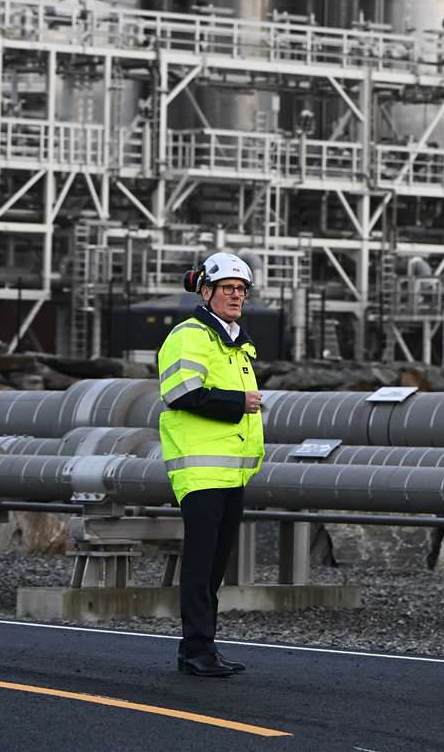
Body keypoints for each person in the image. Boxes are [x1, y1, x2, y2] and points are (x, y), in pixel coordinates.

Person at [157, 250, 265, 677]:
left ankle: (204, 647)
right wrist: (240, 401)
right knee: (201, 564)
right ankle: (195, 651)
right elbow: (181, 393)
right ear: (206, 291)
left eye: (241, 289)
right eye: (227, 289)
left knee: (215, 566)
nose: (236, 296)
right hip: (201, 472)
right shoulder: (191, 335)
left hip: (231, 471)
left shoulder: (234, 342)